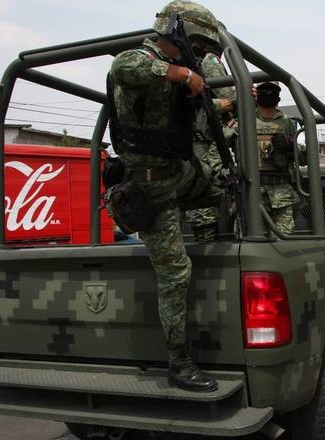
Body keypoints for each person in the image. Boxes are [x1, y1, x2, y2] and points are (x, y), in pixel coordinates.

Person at [107, 0, 221, 392]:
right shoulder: (140, 59)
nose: (203, 54)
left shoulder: (181, 70)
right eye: (201, 46)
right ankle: (179, 362)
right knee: (176, 272)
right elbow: (123, 67)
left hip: (179, 172)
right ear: (181, 35)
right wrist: (182, 73)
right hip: (151, 186)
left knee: (229, 185)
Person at [184, 45, 238, 242]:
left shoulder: (187, 64)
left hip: (198, 144)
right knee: (203, 204)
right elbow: (230, 96)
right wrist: (242, 97)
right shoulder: (210, 60)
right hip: (202, 145)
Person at [255, 81, 301, 235]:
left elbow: (305, 157)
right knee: (254, 241)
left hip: (282, 194)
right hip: (253, 193)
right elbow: (218, 151)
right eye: (264, 90)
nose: (268, 94)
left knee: (283, 243)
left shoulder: (287, 123)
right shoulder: (244, 121)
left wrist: (290, 146)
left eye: (272, 91)